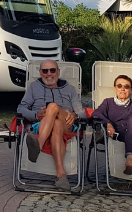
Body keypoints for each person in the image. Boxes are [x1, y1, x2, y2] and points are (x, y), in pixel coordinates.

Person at [17, 59, 86, 190]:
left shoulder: (70, 89)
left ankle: (38, 144)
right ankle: (61, 175)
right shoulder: (34, 87)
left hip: (67, 125)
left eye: (52, 70)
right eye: (45, 71)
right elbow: (21, 109)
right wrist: (36, 115)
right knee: (56, 124)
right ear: (40, 72)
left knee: (53, 107)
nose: (49, 74)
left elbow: (82, 113)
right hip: (41, 124)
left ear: (58, 72)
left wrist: (74, 116)